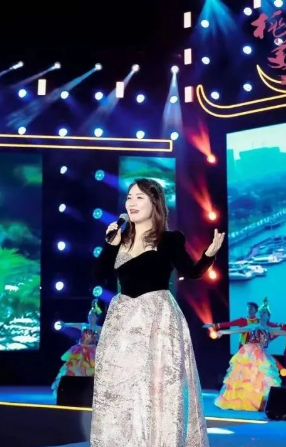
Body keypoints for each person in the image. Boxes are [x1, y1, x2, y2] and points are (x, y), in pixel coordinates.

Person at [90, 178, 224, 447]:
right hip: (123, 320)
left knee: (158, 385)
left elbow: (192, 272)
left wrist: (209, 254)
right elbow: (99, 274)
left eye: (139, 197)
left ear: (155, 203)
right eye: (129, 197)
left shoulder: (170, 239)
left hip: (158, 318)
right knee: (118, 384)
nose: (132, 203)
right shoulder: (119, 238)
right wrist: (111, 243)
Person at [214, 298, 286, 411]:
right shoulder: (253, 326)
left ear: (268, 316)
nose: (262, 315)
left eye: (264, 313)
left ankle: (259, 402)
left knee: (261, 378)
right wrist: (223, 332)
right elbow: (237, 330)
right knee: (246, 376)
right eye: (261, 313)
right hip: (249, 353)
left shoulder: (271, 329)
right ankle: (242, 400)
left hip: (262, 355)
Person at [51, 299, 102, 396]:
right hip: (79, 352)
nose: (90, 317)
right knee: (73, 369)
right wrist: (63, 324)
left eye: (93, 316)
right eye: (89, 316)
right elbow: (71, 324)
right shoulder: (83, 325)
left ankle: (89, 393)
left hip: (92, 353)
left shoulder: (99, 329)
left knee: (90, 371)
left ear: (96, 318)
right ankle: (70, 392)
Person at [203, 301, 279, 348]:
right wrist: (214, 325)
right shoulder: (242, 320)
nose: (249, 309)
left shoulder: (260, 321)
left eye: (251, 308)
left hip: (255, 347)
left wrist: (282, 325)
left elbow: (272, 325)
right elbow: (229, 324)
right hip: (243, 345)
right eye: (248, 307)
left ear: (256, 310)